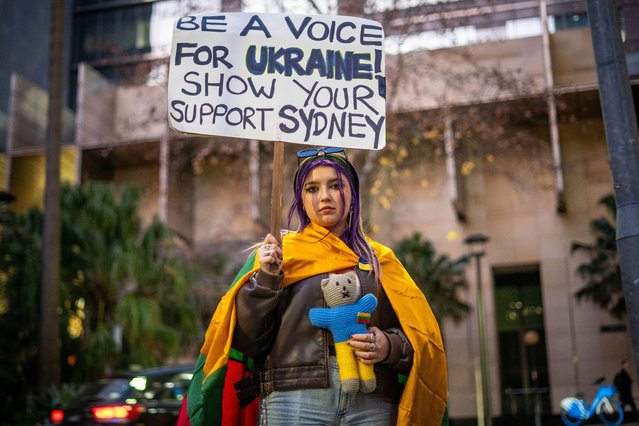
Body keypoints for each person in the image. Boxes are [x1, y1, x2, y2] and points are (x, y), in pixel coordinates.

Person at [178, 147, 447, 426]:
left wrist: (388, 346)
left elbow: (419, 339)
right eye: (312, 188)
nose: (324, 196)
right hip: (294, 398)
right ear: (301, 200)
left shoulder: (382, 261)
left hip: (372, 400)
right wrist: (267, 280)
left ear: (352, 194)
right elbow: (248, 342)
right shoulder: (276, 255)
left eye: (335, 185)